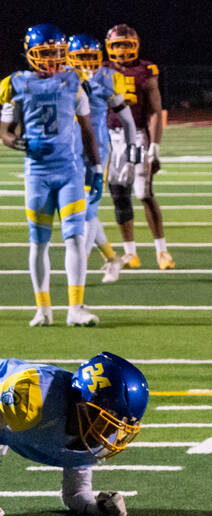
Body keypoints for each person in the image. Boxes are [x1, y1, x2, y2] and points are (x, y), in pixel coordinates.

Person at [0, 24, 104, 327]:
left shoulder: (74, 80)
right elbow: (5, 132)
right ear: (31, 54)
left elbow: (88, 130)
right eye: (44, 54)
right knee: (38, 242)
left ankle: (76, 308)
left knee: (75, 238)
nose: (51, 61)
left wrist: (96, 169)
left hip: (70, 171)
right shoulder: (16, 84)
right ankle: (43, 308)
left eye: (56, 54)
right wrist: (17, 141)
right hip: (37, 173)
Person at [1, 352, 149, 516]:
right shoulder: (33, 396)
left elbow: (76, 494)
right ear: (83, 404)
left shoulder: (90, 431)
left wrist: (94, 507)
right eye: (104, 422)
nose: (109, 434)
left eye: (117, 427)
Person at [65, 33, 138, 285]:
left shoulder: (107, 79)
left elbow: (127, 120)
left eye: (90, 57)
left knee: (85, 210)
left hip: (97, 151)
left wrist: (132, 150)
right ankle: (111, 257)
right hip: (67, 151)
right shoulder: (60, 78)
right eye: (81, 57)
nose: (86, 63)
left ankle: (79, 269)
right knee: (79, 209)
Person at [103, 24, 174, 272]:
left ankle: (161, 250)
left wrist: (154, 145)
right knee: (119, 194)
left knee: (144, 193)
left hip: (137, 137)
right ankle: (130, 253)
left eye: (126, 44)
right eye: (117, 45)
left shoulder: (146, 71)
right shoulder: (102, 70)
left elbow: (155, 111)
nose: (122, 50)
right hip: (112, 138)